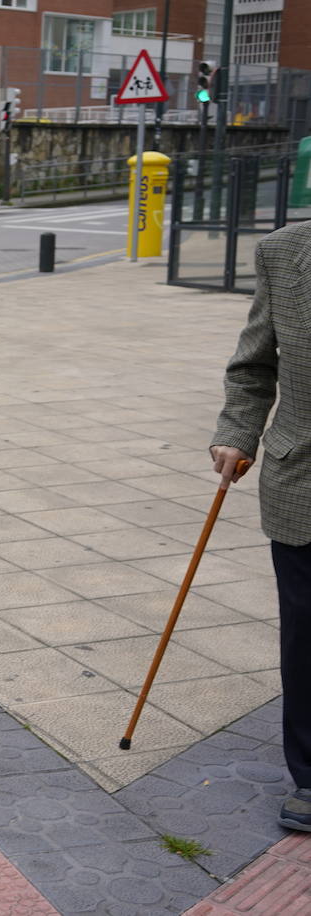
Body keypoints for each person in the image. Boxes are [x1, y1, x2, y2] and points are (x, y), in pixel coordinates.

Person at [211, 219, 311, 832]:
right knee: (306, 633)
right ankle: (310, 773)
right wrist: (236, 431)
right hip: (303, 478)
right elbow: (254, 366)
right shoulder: (283, 252)